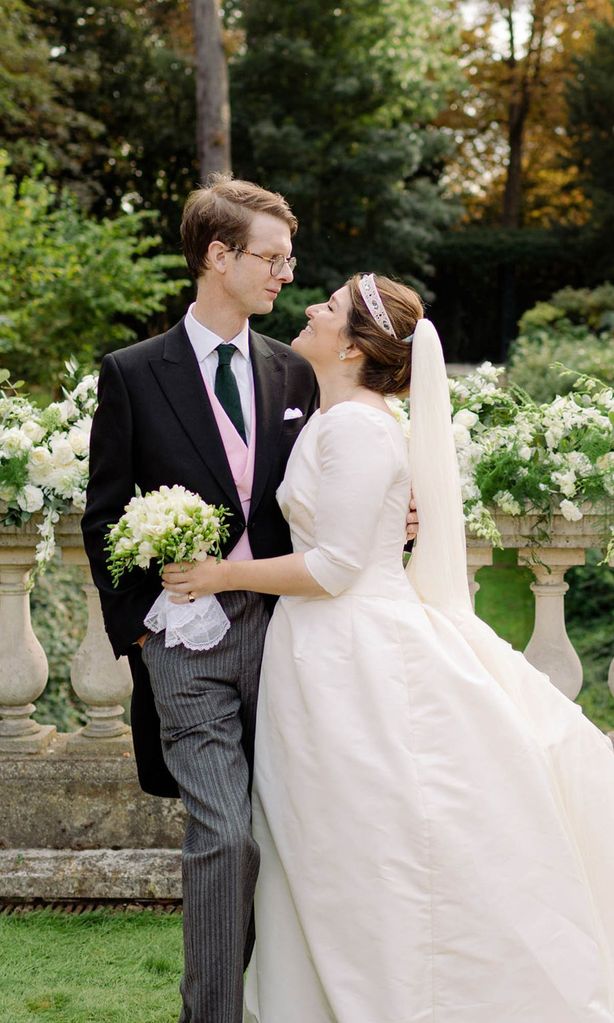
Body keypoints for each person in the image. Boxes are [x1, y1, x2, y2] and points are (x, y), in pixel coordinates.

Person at [163, 273, 614, 1022]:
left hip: (353, 659)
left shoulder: (358, 427)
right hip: (319, 653)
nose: (310, 307)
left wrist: (220, 572)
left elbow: (335, 567)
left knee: (358, 836)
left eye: (330, 307)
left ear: (351, 346)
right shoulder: (335, 419)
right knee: (322, 842)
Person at [81, 176, 321, 1023]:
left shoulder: (292, 369)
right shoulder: (134, 373)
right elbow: (105, 515)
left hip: (289, 636)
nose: (284, 274)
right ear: (218, 257)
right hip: (186, 644)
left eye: (287, 259)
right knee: (225, 835)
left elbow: (318, 500)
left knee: (291, 841)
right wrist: (144, 633)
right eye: (271, 257)